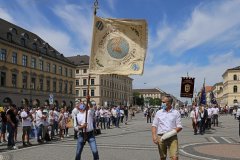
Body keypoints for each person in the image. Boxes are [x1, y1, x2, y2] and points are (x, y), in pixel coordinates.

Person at [152, 95, 182, 160]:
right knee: (162, 157)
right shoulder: (159, 112)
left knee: (175, 158)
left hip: (172, 137)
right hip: (161, 137)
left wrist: (169, 134)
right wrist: (154, 136)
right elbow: (154, 125)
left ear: (169, 102)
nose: (162, 103)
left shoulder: (176, 113)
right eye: (162, 102)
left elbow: (179, 127)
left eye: (164, 102)